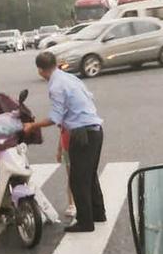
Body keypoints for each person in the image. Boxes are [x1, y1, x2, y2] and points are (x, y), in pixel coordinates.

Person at [24, 50, 106, 232]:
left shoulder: (55, 86)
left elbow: (55, 117)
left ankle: (86, 222)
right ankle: (98, 213)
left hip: (82, 134)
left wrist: (32, 126)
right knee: (89, 175)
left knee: (77, 179)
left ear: (40, 70)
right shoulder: (70, 78)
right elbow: (88, 98)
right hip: (96, 129)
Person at [58, 126, 76, 218]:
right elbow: (61, 132)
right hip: (67, 148)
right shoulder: (62, 116)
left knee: (80, 176)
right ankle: (71, 204)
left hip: (78, 148)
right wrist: (59, 150)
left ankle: (79, 203)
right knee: (71, 177)